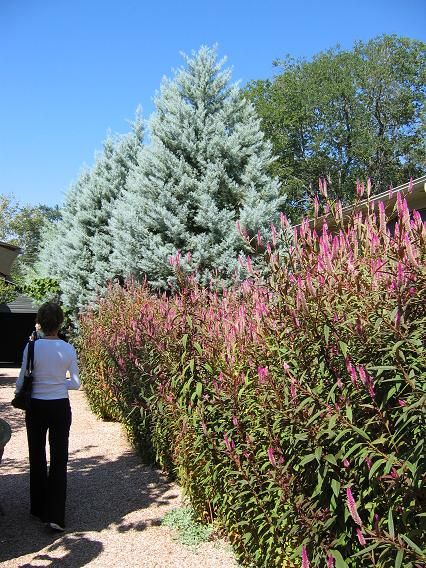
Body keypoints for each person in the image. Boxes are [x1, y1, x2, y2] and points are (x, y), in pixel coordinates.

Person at [15, 302, 80, 532]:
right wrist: (58, 382)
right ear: (60, 322)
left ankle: (38, 508)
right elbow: (76, 383)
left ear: (40, 323)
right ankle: (55, 516)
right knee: (59, 459)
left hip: (36, 407)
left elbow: (21, 381)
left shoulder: (32, 348)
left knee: (37, 455)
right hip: (60, 407)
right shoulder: (68, 349)